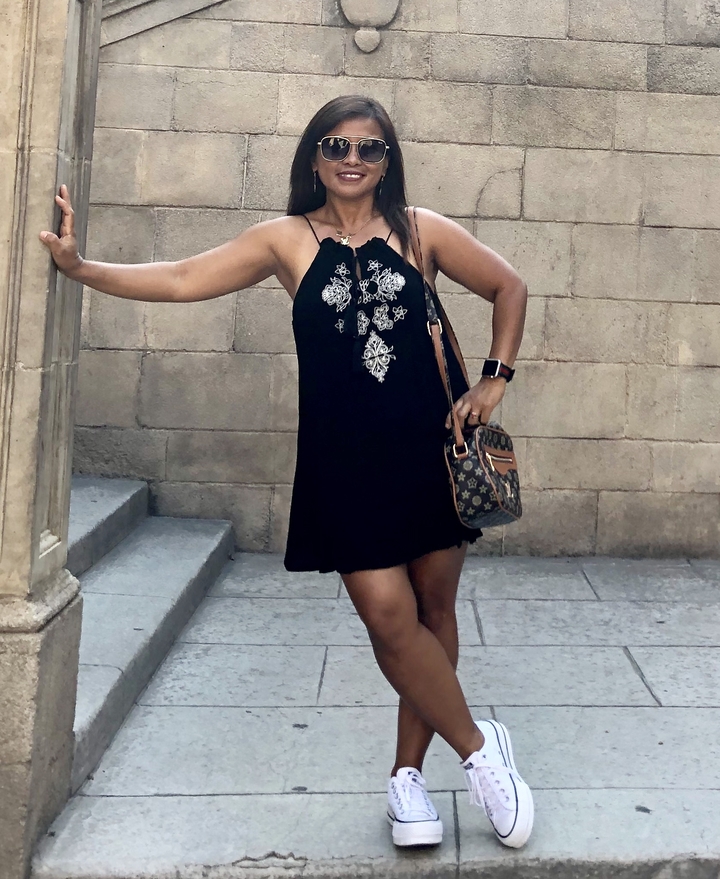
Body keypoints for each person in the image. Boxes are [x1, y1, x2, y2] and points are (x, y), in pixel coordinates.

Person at [41, 95, 532, 849]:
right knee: (388, 617)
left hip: (429, 452)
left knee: (434, 613)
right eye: (337, 145)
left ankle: (407, 779)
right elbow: (178, 277)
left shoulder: (421, 230)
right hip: (344, 464)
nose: (352, 159)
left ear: (386, 161)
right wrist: (79, 267)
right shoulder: (285, 240)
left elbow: (510, 286)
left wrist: (493, 377)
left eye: (369, 149)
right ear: (315, 156)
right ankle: (478, 749)